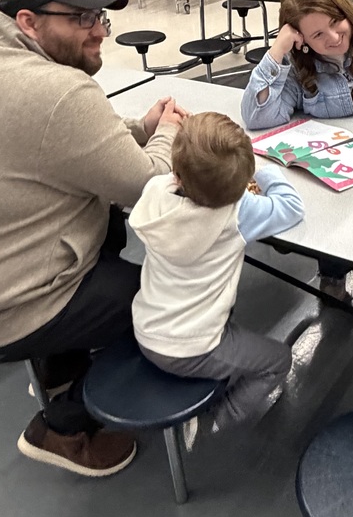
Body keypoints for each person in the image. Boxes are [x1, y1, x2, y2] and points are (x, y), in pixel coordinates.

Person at [0, 0, 185, 477]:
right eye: (82, 20)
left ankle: (58, 363)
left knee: (107, 224)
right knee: (170, 299)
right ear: (30, 22)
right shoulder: (58, 91)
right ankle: (64, 427)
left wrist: (141, 126)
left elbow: (70, 144)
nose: (99, 34)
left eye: (100, 19)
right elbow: (149, 184)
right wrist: (171, 130)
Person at [130, 112, 304, 448]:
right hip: (192, 348)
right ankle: (215, 418)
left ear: (178, 174)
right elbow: (291, 207)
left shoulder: (155, 190)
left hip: (146, 328)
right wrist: (267, 170)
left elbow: (178, 174)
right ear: (241, 183)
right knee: (279, 360)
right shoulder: (239, 211)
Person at [241, 0, 353, 294]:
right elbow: (258, 115)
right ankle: (333, 276)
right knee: (334, 217)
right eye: (318, 34)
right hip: (340, 174)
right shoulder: (297, 62)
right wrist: (277, 51)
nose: (334, 37)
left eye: (337, 21)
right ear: (301, 40)